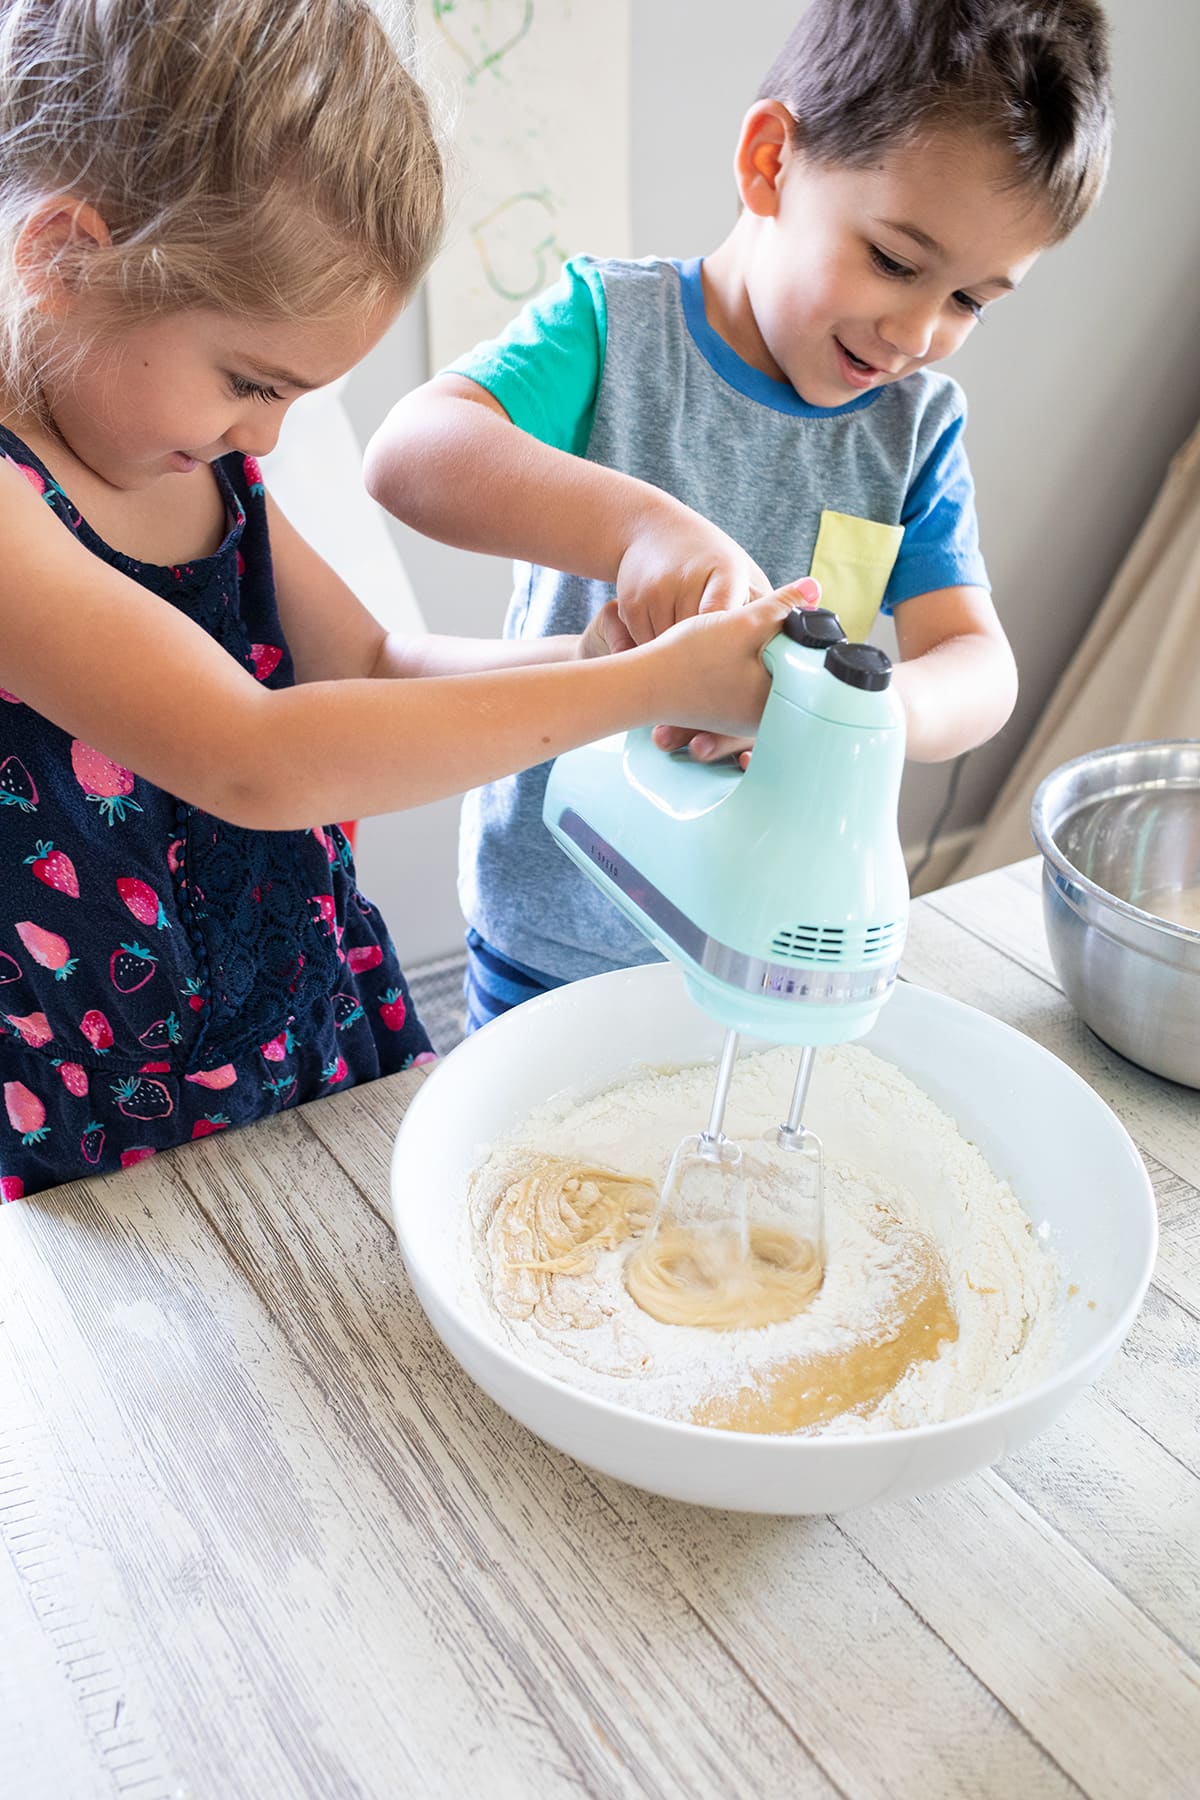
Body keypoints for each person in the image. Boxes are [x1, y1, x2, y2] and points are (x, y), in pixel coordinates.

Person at [0, 0, 805, 1198]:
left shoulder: (206, 466)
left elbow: (372, 666)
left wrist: (603, 671)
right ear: (65, 258)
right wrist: (648, 684)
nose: (266, 434)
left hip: (296, 1010)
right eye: (249, 380)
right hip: (101, 1095)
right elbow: (250, 756)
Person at [365, 0, 1113, 1033]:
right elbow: (410, 457)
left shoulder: (915, 426)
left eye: (971, 302)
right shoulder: (610, 327)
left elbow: (979, 665)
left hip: (770, 939)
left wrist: (868, 717)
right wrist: (644, 531)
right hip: (560, 927)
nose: (917, 332)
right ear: (770, 163)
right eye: (896, 262)